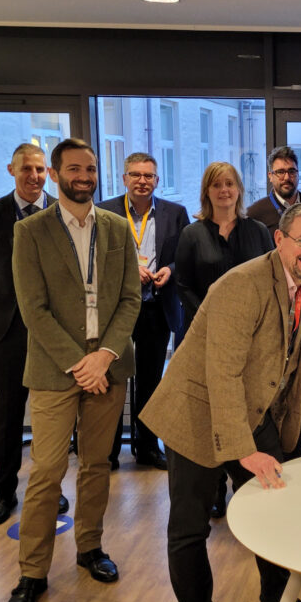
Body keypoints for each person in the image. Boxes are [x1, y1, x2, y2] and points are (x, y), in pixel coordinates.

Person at [140, 202, 301, 602]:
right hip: (197, 412)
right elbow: (221, 375)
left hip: (252, 408)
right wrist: (245, 452)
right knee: (189, 529)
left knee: (275, 514)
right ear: (279, 240)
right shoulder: (242, 285)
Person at [5, 138, 141, 602]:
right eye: (74, 169)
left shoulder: (117, 228)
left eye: (90, 169)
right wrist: (79, 363)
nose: (84, 176)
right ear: (58, 174)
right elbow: (33, 310)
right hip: (54, 369)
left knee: (97, 465)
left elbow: (130, 299)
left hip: (108, 366)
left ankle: (90, 548)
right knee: (45, 473)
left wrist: (103, 356)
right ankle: (33, 572)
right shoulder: (31, 232)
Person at [0, 143, 69, 526]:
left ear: (50, 173)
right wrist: (11, 305)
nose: (34, 176)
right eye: (27, 169)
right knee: (9, 414)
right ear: (12, 170)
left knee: (54, 419)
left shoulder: (61, 213)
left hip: (54, 334)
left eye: (41, 170)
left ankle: (52, 490)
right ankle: (5, 492)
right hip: (9, 331)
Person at [175, 161, 273, 517]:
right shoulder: (192, 234)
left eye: (230, 183)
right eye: (217, 185)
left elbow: (267, 281)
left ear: (239, 189)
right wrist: (210, 318)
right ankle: (215, 487)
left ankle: (243, 480)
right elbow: (182, 284)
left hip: (252, 340)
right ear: (207, 191)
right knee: (212, 411)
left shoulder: (258, 231)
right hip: (205, 339)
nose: (224, 190)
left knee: (245, 410)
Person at [97, 153, 189, 471]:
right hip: (116, 311)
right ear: (124, 179)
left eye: (148, 175)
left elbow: (185, 257)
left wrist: (170, 270)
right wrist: (127, 269)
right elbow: (93, 259)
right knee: (112, 380)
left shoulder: (176, 213)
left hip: (156, 306)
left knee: (151, 382)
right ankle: (107, 452)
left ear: (157, 180)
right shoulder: (104, 211)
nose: (142, 181)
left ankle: (148, 447)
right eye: (135, 175)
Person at [246, 146, 301, 235]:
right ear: (270, 176)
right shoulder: (254, 214)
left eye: (292, 171)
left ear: (298, 174)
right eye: (280, 172)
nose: (287, 177)